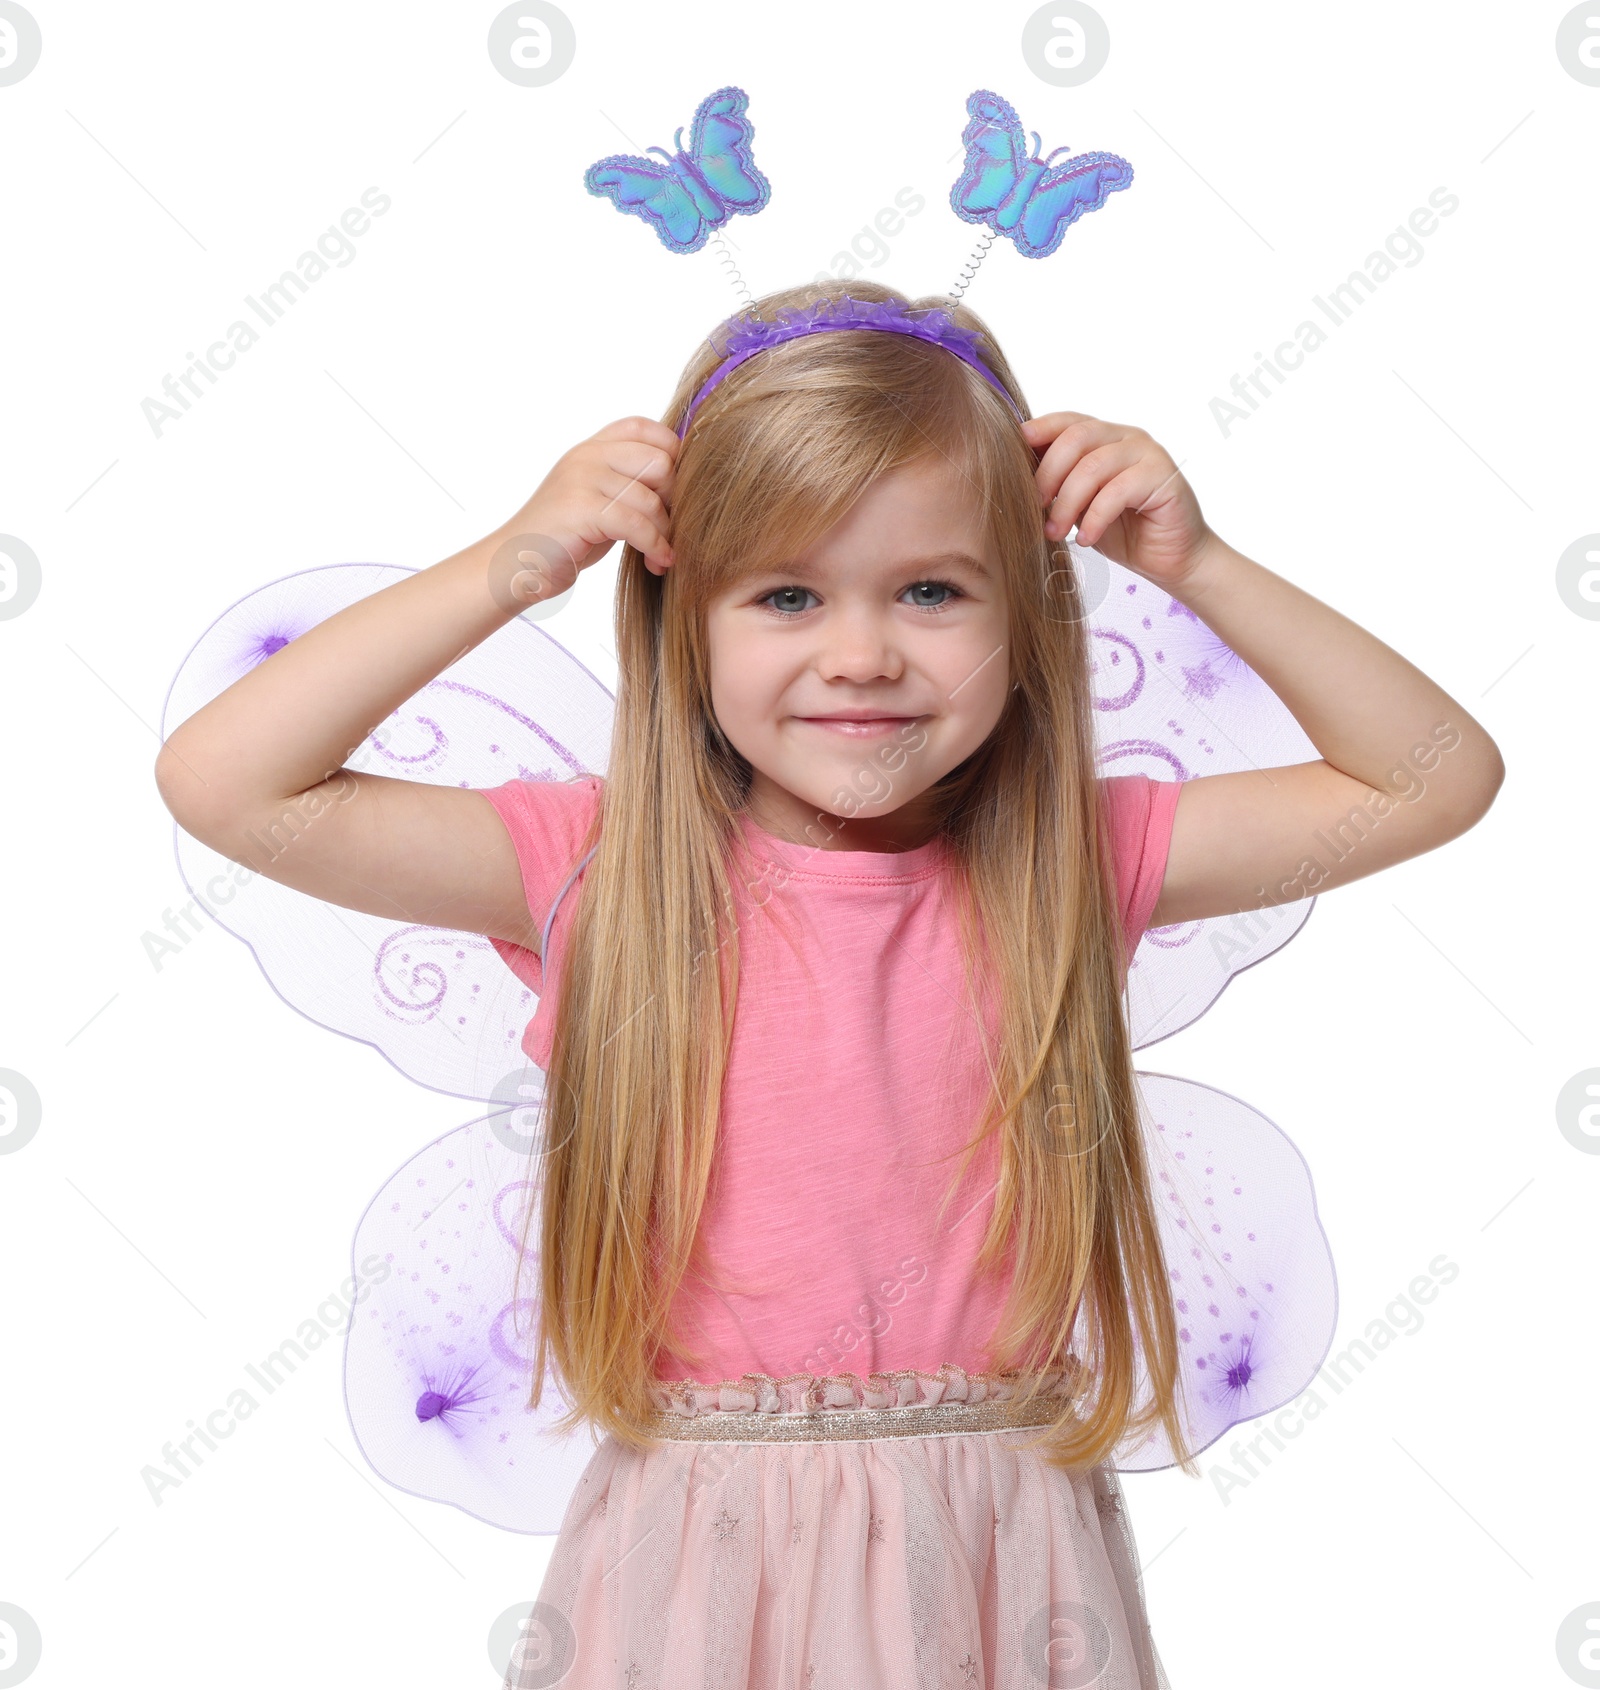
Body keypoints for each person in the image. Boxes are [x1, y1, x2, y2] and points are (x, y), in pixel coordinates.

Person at [153, 277, 1504, 1689]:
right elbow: (226, 780)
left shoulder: (1069, 864)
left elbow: (1432, 777)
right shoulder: (595, 868)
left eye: (930, 589)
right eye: (788, 593)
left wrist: (1198, 561)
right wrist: (512, 560)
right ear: (687, 619)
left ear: (1027, 612)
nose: (861, 652)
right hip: (700, 1560)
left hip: (1001, 1556)